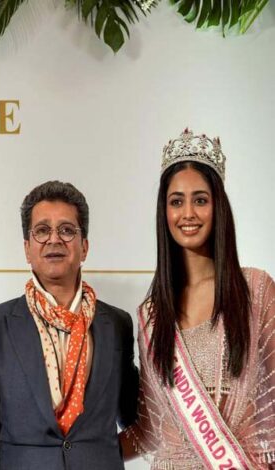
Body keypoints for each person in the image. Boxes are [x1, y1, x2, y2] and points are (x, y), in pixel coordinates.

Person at [121, 129, 275, 468]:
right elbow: (149, 430)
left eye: (200, 200)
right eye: (176, 201)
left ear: (218, 207)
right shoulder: (151, 315)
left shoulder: (256, 290)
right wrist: (70, 448)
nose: (188, 213)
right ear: (164, 211)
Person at [0, 180, 139, 469]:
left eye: (67, 230)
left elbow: (136, 418)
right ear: (27, 248)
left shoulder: (117, 324)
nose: (54, 239)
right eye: (42, 230)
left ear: (84, 247)